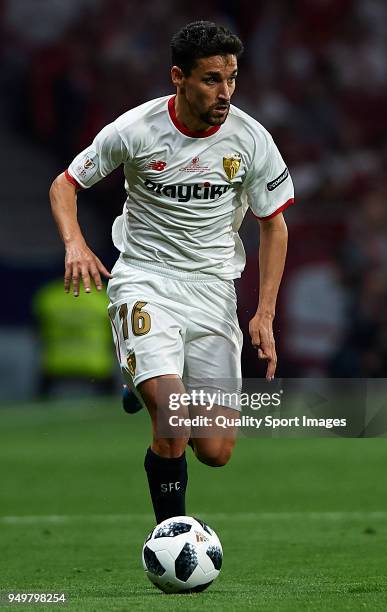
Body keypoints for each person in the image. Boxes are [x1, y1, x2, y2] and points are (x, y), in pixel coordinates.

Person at [49, 21, 294, 524]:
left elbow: (275, 227)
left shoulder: (250, 139)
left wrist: (264, 313)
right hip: (146, 279)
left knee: (216, 450)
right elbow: (65, 184)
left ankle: (140, 379)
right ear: (178, 77)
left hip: (212, 290)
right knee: (173, 421)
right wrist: (75, 243)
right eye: (211, 80)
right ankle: (170, 535)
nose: (225, 92)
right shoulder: (135, 130)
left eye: (231, 78)